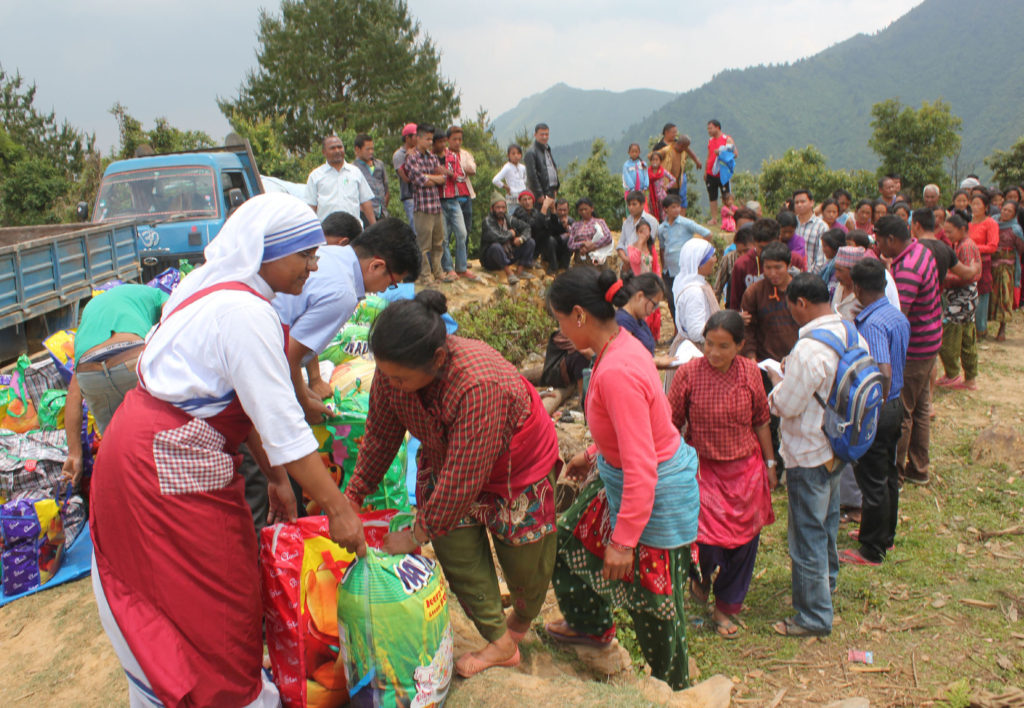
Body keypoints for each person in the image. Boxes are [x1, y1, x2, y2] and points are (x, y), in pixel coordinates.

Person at [90, 194, 366, 707]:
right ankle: (223, 694)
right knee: (212, 590)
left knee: (199, 578)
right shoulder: (245, 314)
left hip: (146, 445)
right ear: (268, 252)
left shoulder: (213, 285)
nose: (314, 266)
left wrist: (278, 480)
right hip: (165, 460)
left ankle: (196, 687)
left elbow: (249, 403)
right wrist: (340, 509)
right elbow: (285, 424)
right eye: (304, 254)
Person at [344, 290, 561, 678]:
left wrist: (416, 533)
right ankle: (499, 640)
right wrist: (354, 494)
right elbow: (380, 435)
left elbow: (463, 480)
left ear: (438, 360)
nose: (390, 383)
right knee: (456, 548)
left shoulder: (477, 385)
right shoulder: (394, 372)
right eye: (386, 374)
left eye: (400, 378)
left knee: (525, 559)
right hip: (449, 459)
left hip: (515, 467)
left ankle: (520, 622)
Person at [544, 267, 699, 690]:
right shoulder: (622, 347)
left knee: (656, 606)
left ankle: (672, 686)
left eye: (559, 321)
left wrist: (624, 541)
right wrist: (594, 453)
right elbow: (646, 423)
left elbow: (643, 463)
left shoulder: (616, 371)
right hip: (621, 475)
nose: (558, 333)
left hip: (648, 489)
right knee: (568, 541)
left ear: (578, 315)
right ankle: (590, 628)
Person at [765, 273, 866, 637]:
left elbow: (788, 406)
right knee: (826, 523)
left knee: (806, 534)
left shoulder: (808, 350)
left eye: (790, 306)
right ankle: (828, 581)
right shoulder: (849, 330)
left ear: (801, 304)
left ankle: (813, 616)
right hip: (838, 445)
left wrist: (776, 386)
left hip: (808, 451)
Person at [669, 310, 775, 638]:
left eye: (723, 346)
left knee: (743, 543)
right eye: (708, 344)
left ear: (740, 346)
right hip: (703, 469)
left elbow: (761, 420)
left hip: (745, 470)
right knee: (705, 540)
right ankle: (702, 576)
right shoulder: (689, 374)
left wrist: (771, 465)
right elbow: (670, 421)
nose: (713, 353)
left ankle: (726, 607)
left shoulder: (749, 374)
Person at [273, 217, 421, 423]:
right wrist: (304, 404)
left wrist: (309, 386)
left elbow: (300, 330)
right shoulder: (343, 293)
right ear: (377, 266)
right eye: (393, 282)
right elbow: (287, 354)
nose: (385, 290)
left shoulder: (330, 253)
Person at [61, 284, 169, 483]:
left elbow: (74, 396)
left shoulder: (92, 311)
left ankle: (123, 499)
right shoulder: (157, 295)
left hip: (89, 372)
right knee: (157, 439)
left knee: (115, 449)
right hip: (130, 358)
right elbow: (175, 327)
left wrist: (74, 455)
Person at [843, 259, 909, 567]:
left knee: (872, 479)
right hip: (897, 403)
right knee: (888, 475)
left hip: (880, 407)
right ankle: (885, 535)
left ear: (856, 287)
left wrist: (872, 406)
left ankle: (872, 549)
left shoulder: (871, 324)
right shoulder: (896, 316)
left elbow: (882, 369)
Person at [875, 215, 941, 486]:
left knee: (901, 412)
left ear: (891, 239)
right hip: (929, 341)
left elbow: (897, 314)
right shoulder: (920, 251)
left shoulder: (906, 270)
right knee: (920, 407)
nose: (877, 245)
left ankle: (896, 475)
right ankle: (919, 468)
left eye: (879, 239)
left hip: (913, 348)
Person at [938, 213, 982, 389]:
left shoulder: (966, 247)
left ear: (962, 229)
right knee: (967, 337)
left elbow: (969, 275)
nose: (947, 236)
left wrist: (944, 276)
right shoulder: (962, 245)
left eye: (950, 232)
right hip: (965, 297)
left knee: (948, 335)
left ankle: (953, 373)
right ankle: (969, 378)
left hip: (962, 298)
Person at [740, 242, 800, 363]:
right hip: (766, 362)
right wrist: (751, 356)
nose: (773, 273)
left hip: (798, 358)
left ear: (788, 265)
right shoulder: (754, 292)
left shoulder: (802, 290)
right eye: (768, 268)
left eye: (778, 267)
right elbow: (748, 329)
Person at [404, 124, 448, 284]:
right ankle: (425, 275)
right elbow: (421, 180)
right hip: (422, 207)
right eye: (427, 139)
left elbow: (442, 179)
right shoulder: (412, 158)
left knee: (438, 242)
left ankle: (438, 272)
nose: (430, 142)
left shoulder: (432, 157)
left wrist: (431, 177)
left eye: (431, 139)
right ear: (419, 138)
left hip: (436, 206)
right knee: (423, 245)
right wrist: (432, 178)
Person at [660, 195, 711, 324]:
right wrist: (663, 267)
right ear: (666, 209)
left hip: (683, 270)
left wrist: (699, 254)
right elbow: (662, 248)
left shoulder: (685, 223)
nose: (677, 210)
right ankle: (677, 330)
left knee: (683, 300)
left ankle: (687, 327)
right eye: (673, 207)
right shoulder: (662, 228)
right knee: (672, 302)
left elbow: (707, 233)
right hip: (669, 270)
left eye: (678, 206)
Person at [305, 135, 376, 225]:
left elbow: (366, 202)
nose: (337, 151)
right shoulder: (315, 176)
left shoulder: (355, 172)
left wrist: (375, 226)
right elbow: (311, 207)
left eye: (340, 147)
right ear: (324, 152)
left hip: (353, 230)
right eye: (332, 148)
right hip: (328, 232)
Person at [436, 128, 477, 281]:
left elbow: (461, 177)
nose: (457, 142)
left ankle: (461, 267)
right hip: (439, 200)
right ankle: (448, 268)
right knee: (444, 237)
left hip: (453, 198)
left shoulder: (452, 157)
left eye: (460, 139)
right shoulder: (431, 158)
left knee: (462, 232)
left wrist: (447, 173)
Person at [672, 238, 720, 347]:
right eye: (712, 256)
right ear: (700, 262)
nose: (715, 260)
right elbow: (696, 332)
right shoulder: (694, 292)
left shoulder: (691, 283)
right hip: (696, 350)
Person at [613, 272, 670, 358]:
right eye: (654, 304)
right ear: (640, 296)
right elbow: (628, 358)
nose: (654, 310)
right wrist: (657, 362)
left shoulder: (638, 319)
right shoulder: (623, 322)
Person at [481, 194, 535, 284]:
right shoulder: (487, 221)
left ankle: (520, 271)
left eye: (503, 207)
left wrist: (521, 239)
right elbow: (497, 236)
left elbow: (527, 228)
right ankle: (509, 274)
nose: (501, 210)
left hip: (508, 255)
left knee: (530, 242)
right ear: (492, 209)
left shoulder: (509, 219)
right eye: (498, 208)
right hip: (492, 260)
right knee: (496, 246)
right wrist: (511, 233)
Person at [729, 218, 781, 310]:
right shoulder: (742, 264)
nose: (766, 252)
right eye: (761, 248)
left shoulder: (792, 260)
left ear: (779, 240)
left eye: (770, 246)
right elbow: (735, 303)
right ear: (754, 243)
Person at [990, 200, 1024, 341]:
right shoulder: (992, 222)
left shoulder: (1015, 229)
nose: (1005, 213)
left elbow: (1021, 249)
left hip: (1006, 266)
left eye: (1009, 211)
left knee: (1004, 295)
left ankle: (1002, 328)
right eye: (1004, 209)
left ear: (1014, 214)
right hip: (991, 263)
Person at [967, 191, 999, 339]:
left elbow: (992, 246)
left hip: (983, 262)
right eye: (972, 204)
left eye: (978, 204)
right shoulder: (968, 222)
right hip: (967, 261)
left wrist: (973, 247)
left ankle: (981, 328)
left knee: (982, 293)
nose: (974, 207)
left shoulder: (990, 223)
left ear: (986, 207)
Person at [514, 190, 568, 274]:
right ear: (520, 202)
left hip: (532, 243)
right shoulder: (519, 212)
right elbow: (534, 227)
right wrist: (545, 206)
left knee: (547, 230)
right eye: (524, 200)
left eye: (529, 199)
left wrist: (553, 209)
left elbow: (551, 227)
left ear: (533, 201)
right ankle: (527, 260)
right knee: (540, 231)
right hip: (521, 245)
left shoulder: (534, 212)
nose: (527, 202)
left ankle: (550, 263)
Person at [447, 125, 478, 253]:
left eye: (460, 139)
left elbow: (472, 169)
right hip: (450, 196)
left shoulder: (465, 154)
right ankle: (445, 261)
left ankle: (463, 259)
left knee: (466, 229)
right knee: (447, 230)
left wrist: (458, 165)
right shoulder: (444, 154)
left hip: (466, 194)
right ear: (448, 139)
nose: (457, 142)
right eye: (454, 139)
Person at [658, 135, 701, 215]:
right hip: (666, 182)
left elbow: (689, 151)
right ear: (679, 145)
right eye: (684, 147)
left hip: (677, 183)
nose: (685, 150)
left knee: (675, 202)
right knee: (665, 202)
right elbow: (655, 156)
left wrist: (697, 161)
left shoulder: (683, 151)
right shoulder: (667, 150)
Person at [352, 134, 388, 222]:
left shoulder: (379, 164)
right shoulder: (353, 169)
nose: (371, 152)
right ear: (357, 149)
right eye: (367, 149)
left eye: (372, 149)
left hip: (382, 212)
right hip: (364, 215)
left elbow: (386, 188)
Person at [705, 120, 735, 225]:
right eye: (708, 128)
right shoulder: (710, 140)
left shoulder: (727, 139)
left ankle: (728, 218)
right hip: (711, 173)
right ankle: (714, 219)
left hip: (722, 173)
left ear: (718, 127)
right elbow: (709, 156)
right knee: (712, 196)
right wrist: (705, 171)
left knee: (726, 196)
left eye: (711, 128)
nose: (709, 130)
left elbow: (735, 154)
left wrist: (722, 152)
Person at [618, 190, 660, 264]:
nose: (631, 207)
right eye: (629, 205)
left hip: (642, 263)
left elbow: (648, 243)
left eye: (634, 204)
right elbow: (621, 243)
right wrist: (625, 259)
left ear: (642, 204)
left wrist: (631, 259)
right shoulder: (626, 222)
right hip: (626, 264)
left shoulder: (651, 221)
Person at [567, 198, 613, 264]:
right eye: (581, 210)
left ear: (592, 209)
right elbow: (570, 245)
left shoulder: (599, 222)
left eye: (585, 209)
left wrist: (592, 246)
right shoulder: (575, 225)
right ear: (578, 211)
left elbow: (608, 237)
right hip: (581, 259)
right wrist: (583, 243)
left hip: (597, 258)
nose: (583, 212)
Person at [715, 224, 754, 302]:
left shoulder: (764, 259)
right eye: (739, 252)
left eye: (746, 251)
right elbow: (717, 289)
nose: (743, 255)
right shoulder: (729, 259)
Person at [792, 190, 828, 274]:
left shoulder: (821, 226)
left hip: (811, 277)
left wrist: (807, 277)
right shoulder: (791, 223)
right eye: (796, 202)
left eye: (803, 201)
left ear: (811, 203)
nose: (799, 205)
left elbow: (821, 259)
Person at [524, 123, 560, 199]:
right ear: (535, 135)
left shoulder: (546, 149)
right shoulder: (531, 152)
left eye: (546, 134)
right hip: (541, 194)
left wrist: (556, 188)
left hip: (551, 191)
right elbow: (532, 175)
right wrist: (539, 194)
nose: (544, 137)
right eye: (542, 134)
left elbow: (552, 169)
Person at [393, 123, 418, 227]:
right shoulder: (399, 155)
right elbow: (406, 178)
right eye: (416, 136)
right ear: (407, 137)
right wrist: (409, 158)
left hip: (423, 195)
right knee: (415, 226)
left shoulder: (420, 152)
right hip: (409, 195)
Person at [646, 150, 676, 222]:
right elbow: (644, 181)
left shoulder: (662, 171)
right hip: (652, 197)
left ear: (660, 161)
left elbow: (673, 179)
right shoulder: (648, 171)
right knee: (652, 214)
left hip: (661, 196)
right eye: (653, 160)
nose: (655, 162)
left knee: (663, 214)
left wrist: (667, 187)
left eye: (657, 160)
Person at [818, 228, 848, 298]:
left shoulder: (838, 265)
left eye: (825, 246)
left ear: (834, 246)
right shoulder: (829, 263)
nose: (823, 249)